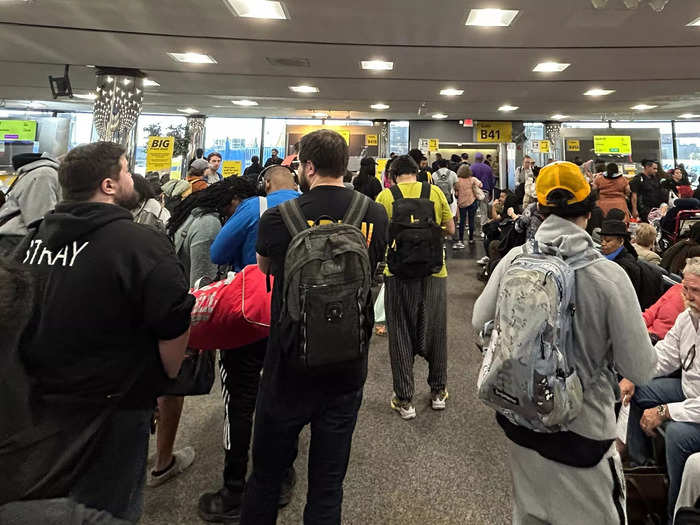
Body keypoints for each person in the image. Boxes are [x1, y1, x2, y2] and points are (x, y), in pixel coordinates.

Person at [14, 142, 193, 521]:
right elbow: (174, 319)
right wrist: (164, 377)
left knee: (51, 503)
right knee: (108, 509)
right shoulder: (140, 243)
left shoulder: (30, 243)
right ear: (109, 185)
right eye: (127, 171)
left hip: (37, 402)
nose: (132, 178)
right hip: (116, 404)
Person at [473, 160, 656, 525]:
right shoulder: (608, 276)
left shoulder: (515, 259)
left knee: (530, 514)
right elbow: (641, 369)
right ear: (588, 210)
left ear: (539, 208)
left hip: (521, 421)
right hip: (583, 435)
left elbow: (480, 322)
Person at [240, 130, 388, 525]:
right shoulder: (373, 213)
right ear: (345, 166)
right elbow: (374, 273)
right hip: (347, 364)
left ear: (306, 167)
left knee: (267, 477)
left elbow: (266, 270)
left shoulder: (277, 217)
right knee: (327, 485)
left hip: (287, 363)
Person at [200, 167, 298, 523]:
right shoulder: (310, 206)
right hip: (295, 319)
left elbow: (217, 251)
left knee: (239, 401)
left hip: (248, 317)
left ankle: (233, 489)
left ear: (265, 184)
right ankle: (282, 477)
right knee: (285, 396)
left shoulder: (255, 206)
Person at [376, 155, 454, 419]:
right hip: (434, 272)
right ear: (417, 172)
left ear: (392, 175)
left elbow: (380, 237)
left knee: (399, 332)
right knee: (435, 332)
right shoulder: (433, 192)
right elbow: (451, 229)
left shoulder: (386, 197)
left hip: (397, 275)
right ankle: (438, 392)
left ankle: (405, 399)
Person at [623, 257, 700, 523]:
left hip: (697, 404)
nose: (689, 297)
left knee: (678, 434)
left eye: (696, 291)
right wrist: (633, 375)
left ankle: (673, 515)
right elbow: (664, 356)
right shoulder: (687, 318)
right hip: (690, 392)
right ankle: (641, 469)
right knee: (641, 390)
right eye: (686, 289)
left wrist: (665, 410)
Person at [168, 177, 257, 288]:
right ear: (235, 199)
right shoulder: (209, 224)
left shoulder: (195, 212)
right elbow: (203, 285)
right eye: (245, 206)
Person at [0, 152, 61, 256]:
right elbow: (40, 222)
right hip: (16, 242)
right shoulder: (43, 174)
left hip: (16, 241)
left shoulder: (36, 172)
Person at [453, 164, 482, 247]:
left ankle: (461, 239)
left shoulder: (458, 180)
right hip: (472, 201)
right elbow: (481, 185)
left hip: (462, 202)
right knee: (471, 220)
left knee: (462, 220)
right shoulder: (472, 179)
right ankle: (471, 239)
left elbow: (455, 189)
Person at [471, 152, 495, 223]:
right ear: (482, 159)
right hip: (485, 191)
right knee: (484, 210)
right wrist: (490, 192)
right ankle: (483, 228)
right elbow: (491, 181)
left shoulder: (471, 167)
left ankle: (473, 228)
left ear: (475, 159)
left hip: (474, 192)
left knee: (473, 210)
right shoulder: (488, 168)